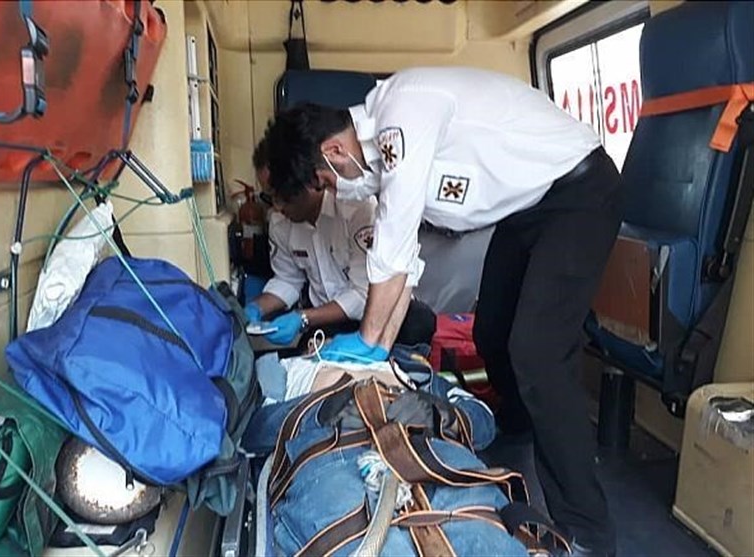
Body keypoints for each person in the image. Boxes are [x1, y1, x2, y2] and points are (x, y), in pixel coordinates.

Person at [260, 67, 622, 556]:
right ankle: (522, 428)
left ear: (334, 151)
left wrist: (368, 342)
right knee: (492, 332)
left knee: (539, 355)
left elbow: (392, 247)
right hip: (526, 209)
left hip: (577, 192)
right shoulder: (381, 159)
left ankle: (587, 531)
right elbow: (405, 263)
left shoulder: (401, 117)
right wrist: (379, 345)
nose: (335, 191)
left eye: (326, 181)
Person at [245, 139, 435, 350]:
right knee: (308, 353)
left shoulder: (357, 208)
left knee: (420, 322)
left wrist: (303, 318)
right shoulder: (280, 223)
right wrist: (255, 308)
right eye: (270, 197)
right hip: (327, 318)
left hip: (377, 313)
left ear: (309, 180)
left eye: (282, 195)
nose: (278, 206)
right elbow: (288, 279)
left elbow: (364, 293)